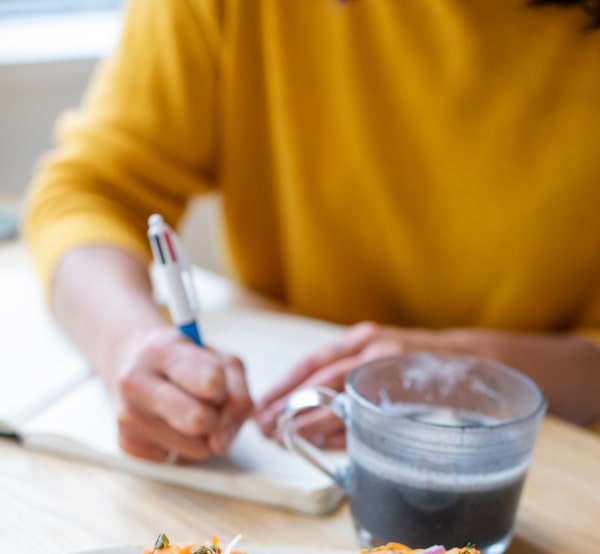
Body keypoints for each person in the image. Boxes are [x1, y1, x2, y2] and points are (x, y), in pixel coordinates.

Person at [23, 0, 600, 463]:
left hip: (560, 465)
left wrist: (471, 371)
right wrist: (128, 343)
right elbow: (88, 191)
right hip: (297, 464)